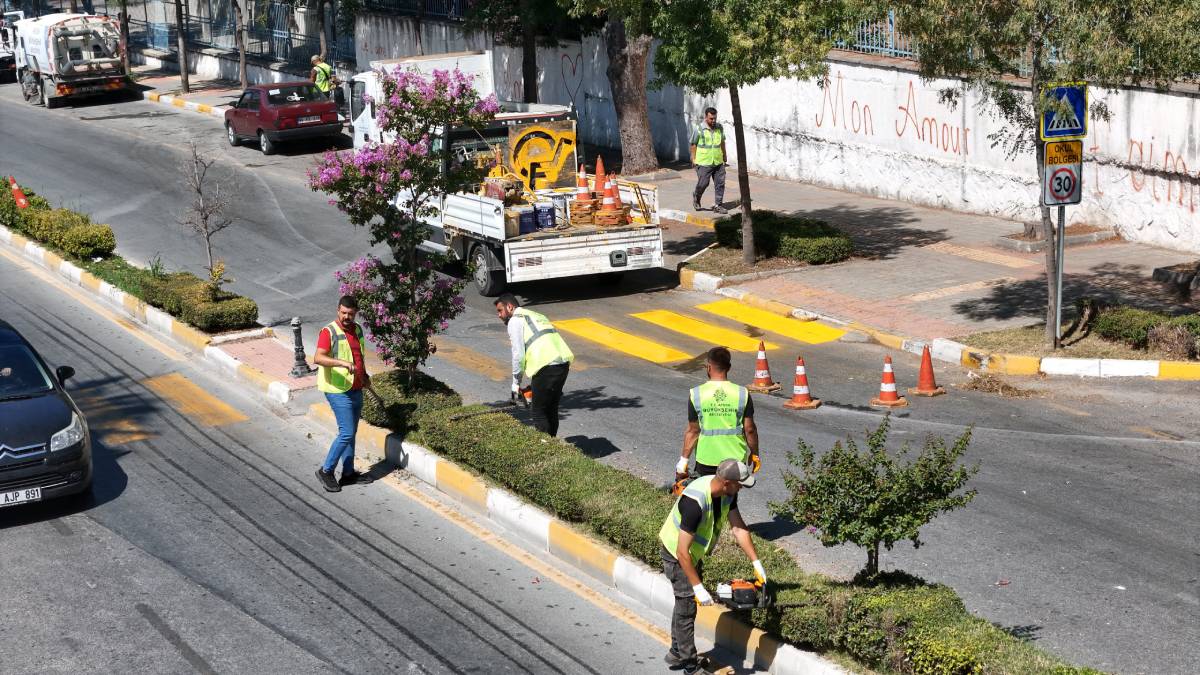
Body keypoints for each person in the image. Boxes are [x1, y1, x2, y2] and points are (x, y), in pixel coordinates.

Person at [660, 459, 766, 674]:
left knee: (684, 603)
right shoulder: (694, 502)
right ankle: (690, 665)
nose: (741, 488)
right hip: (676, 554)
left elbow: (739, 529)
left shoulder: (727, 494)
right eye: (740, 484)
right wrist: (698, 587)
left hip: (692, 554)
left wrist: (756, 562)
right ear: (727, 482)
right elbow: (682, 552)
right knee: (687, 605)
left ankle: (676, 650)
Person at [313, 295, 374, 492]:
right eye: (343, 313)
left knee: (351, 433)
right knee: (346, 432)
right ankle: (326, 470)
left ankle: (348, 474)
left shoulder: (357, 330)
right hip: (337, 390)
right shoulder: (328, 331)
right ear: (338, 311)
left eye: (350, 313)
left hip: (355, 387)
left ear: (356, 313)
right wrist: (342, 363)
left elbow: (358, 355)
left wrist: (364, 375)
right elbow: (318, 358)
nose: (346, 316)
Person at [494, 293, 574, 437]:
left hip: (546, 366)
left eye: (500, 311)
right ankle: (552, 445)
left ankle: (545, 447)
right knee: (551, 408)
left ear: (510, 307)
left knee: (538, 412)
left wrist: (515, 384)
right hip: (562, 363)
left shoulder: (515, 321)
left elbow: (518, 355)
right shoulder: (536, 315)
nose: (499, 315)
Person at [676, 347, 760, 481]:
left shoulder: (697, 394)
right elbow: (749, 429)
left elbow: (693, 431)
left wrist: (683, 461)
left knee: (708, 497)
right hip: (735, 461)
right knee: (729, 498)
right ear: (729, 367)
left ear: (708, 367)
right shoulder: (742, 393)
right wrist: (755, 453)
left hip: (707, 459)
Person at [689, 107, 728, 214]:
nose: (713, 121)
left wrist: (724, 156)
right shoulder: (699, 128)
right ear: (706, 117)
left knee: (720, 183)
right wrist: (693, 158)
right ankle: (696, 197)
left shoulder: (719, 128)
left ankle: (718, 205)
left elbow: (722, 142)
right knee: (703, 183)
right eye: (711, 118)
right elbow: (693, 144)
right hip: (703, 162)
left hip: (718, 161)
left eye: (715, 118)